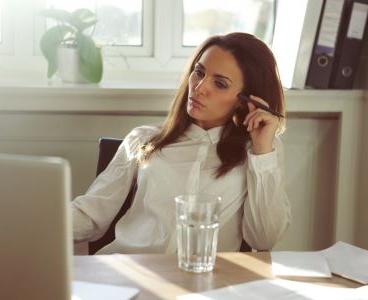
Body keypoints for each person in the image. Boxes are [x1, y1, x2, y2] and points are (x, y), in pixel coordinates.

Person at [72, 32, 291, 254]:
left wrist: (262, 151)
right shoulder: (143, 138)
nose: (199, 87)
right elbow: (91, 215)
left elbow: (264, 239)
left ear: (247, 100)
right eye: (199, 72)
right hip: (130, 273)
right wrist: (39, 223)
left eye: (220, 84)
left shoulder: (259, 152)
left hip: (206, 282)